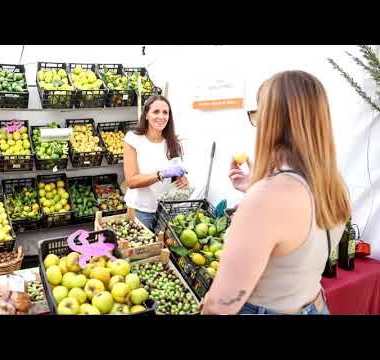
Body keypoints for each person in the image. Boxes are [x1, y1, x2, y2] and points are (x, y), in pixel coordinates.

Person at [202, 70, 351, 315]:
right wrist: (256, 186)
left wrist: (260, 193)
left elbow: (221, 306)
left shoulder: (268, 197)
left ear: (270, 119)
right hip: (314, 304)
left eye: (257, 113)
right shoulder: (335, 184)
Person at [123, 95, 188, 230]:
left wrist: (183, 180)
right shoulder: (133, 139)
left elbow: (176, 175)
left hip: (166, 211)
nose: (161, 116)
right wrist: (161, 174)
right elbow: (131, 181)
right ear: (146, 114)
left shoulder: (172, 142)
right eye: (156, 112)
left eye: (165, 112)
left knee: (164, 249)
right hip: (140, 210)